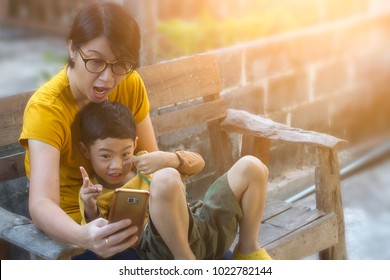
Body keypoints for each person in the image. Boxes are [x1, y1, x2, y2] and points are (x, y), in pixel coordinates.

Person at [19, 1, 162, 258]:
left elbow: (151, 161)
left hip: (133, 221)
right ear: (72, 48)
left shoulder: (130, 83)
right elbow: (41, 203)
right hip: (78, 236)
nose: (108, 78)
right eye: (96, 61)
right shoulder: (47, 109)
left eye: (121, 64)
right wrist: (83, 235)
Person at [78, 101, 272, 260]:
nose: (117, 165)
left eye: (125, 153)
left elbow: (199, 163)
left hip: (199, 226)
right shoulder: (94, 191)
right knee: (165, 178)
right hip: (161, 247)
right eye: (105, 156)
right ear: (86, 151)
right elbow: (100, 236)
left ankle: (248, 249)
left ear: (135, 144)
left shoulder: (146, 161)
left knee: (252, 166)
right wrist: (90, 207)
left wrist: (168, 158)